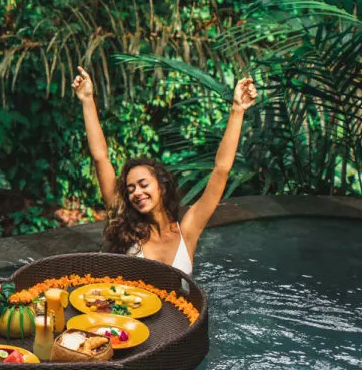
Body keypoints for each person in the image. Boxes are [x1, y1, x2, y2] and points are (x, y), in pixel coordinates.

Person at [72, 66, 257, 274]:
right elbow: (100, 158)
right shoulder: (125, 223)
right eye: (131, 189)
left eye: (143, 185)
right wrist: (87, 100)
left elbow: (221, 170)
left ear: (161, 187)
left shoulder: (187, 231)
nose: (137, 193)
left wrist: (237, 110)